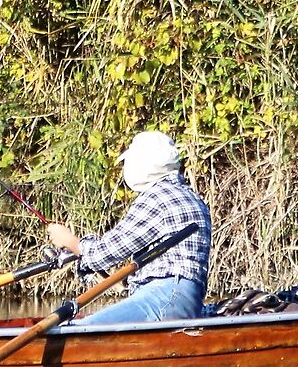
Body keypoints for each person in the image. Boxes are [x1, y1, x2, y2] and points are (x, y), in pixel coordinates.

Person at [45, 130, 212, 323]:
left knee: (78, 330)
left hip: (164, 296)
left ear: (144, 163)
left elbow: (102, 254)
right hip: (186, 299)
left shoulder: (156, 197)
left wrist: (70, 241)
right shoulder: (192, 197)